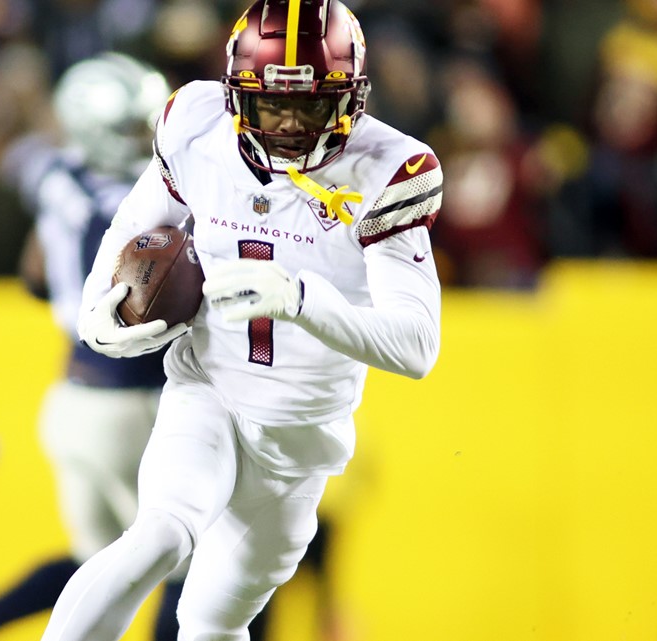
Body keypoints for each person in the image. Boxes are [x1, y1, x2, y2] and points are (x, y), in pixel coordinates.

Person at [44, 1, 444, 640]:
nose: (287, 124)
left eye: (310, 106)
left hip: (300, 436)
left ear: (350, 99)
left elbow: (418, 346)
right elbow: (138, 224)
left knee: (211, 624)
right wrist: (99, 310)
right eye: (271, 105)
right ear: (235, 96)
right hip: (207, 389)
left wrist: (301, 299)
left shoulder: (390, 168)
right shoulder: (195, 124)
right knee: (160, 537)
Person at [0, 52, 194, 641]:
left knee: (101, 561)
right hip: (135, 399)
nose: (147, 137)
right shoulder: (142, 203)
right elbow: (160, 291)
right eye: (133, 127)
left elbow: (35, 275)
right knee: (189, 566)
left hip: (72, 397)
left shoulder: (56, 175)